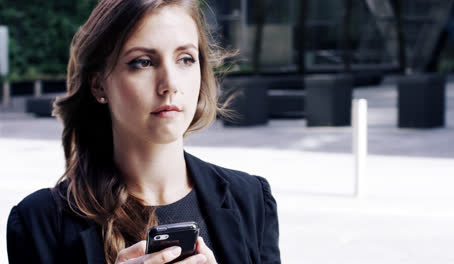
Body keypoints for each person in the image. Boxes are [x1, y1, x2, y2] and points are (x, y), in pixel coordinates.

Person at [6, 0, 280, 263]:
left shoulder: (251, 200)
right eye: (143, 62)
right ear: (99, 84)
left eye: (185, 59)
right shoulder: (39, 222)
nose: (170, 84)